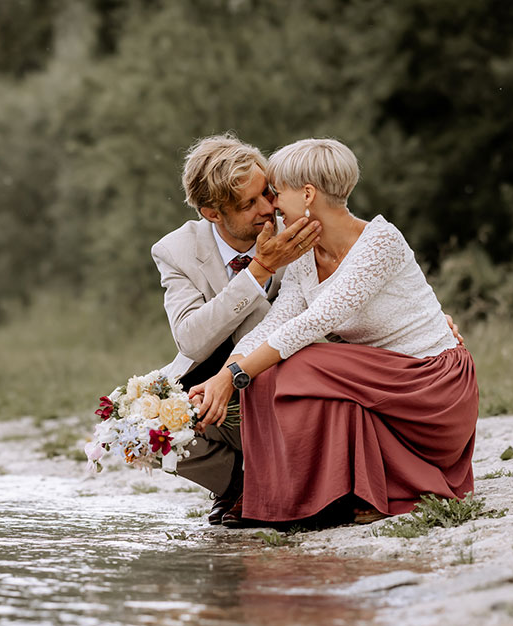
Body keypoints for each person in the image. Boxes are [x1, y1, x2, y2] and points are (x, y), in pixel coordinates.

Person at [190, 138, 478, 528]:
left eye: (278, 193)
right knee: (269, 371)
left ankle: (371, 489)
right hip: (380, 379)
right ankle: (302, 497)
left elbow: (311, 324)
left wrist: (233, 376)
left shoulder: (380, 242)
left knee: (299, 362)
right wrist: (225, 374)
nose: (272, 205)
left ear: (307, 194)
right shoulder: (305, 250)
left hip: (431, 385)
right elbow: (277, 321)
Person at [152, 134, 321, 525]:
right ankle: (237, 487)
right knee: (139, 422)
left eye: (267, 193)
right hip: (216, 378)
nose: (268, 210)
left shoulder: (300, 224)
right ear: (212, 213)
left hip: (289, 377)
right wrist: (259, 270)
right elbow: (191, 339)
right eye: (249, 204)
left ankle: (281, 484)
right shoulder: (176, 250)